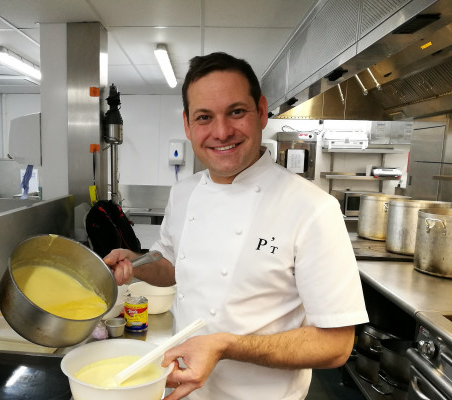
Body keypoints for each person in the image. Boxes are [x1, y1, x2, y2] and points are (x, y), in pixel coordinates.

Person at [104, 52, 368, 400]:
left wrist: (226, 345)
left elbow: (336, 345)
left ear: (261, 111)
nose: (222, 131)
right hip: (182, 389)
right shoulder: (183, 194)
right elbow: (171, 266)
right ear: (187, 124)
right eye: (204, 117)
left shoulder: (313, 209)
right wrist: (136, 263)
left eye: (236, 111)